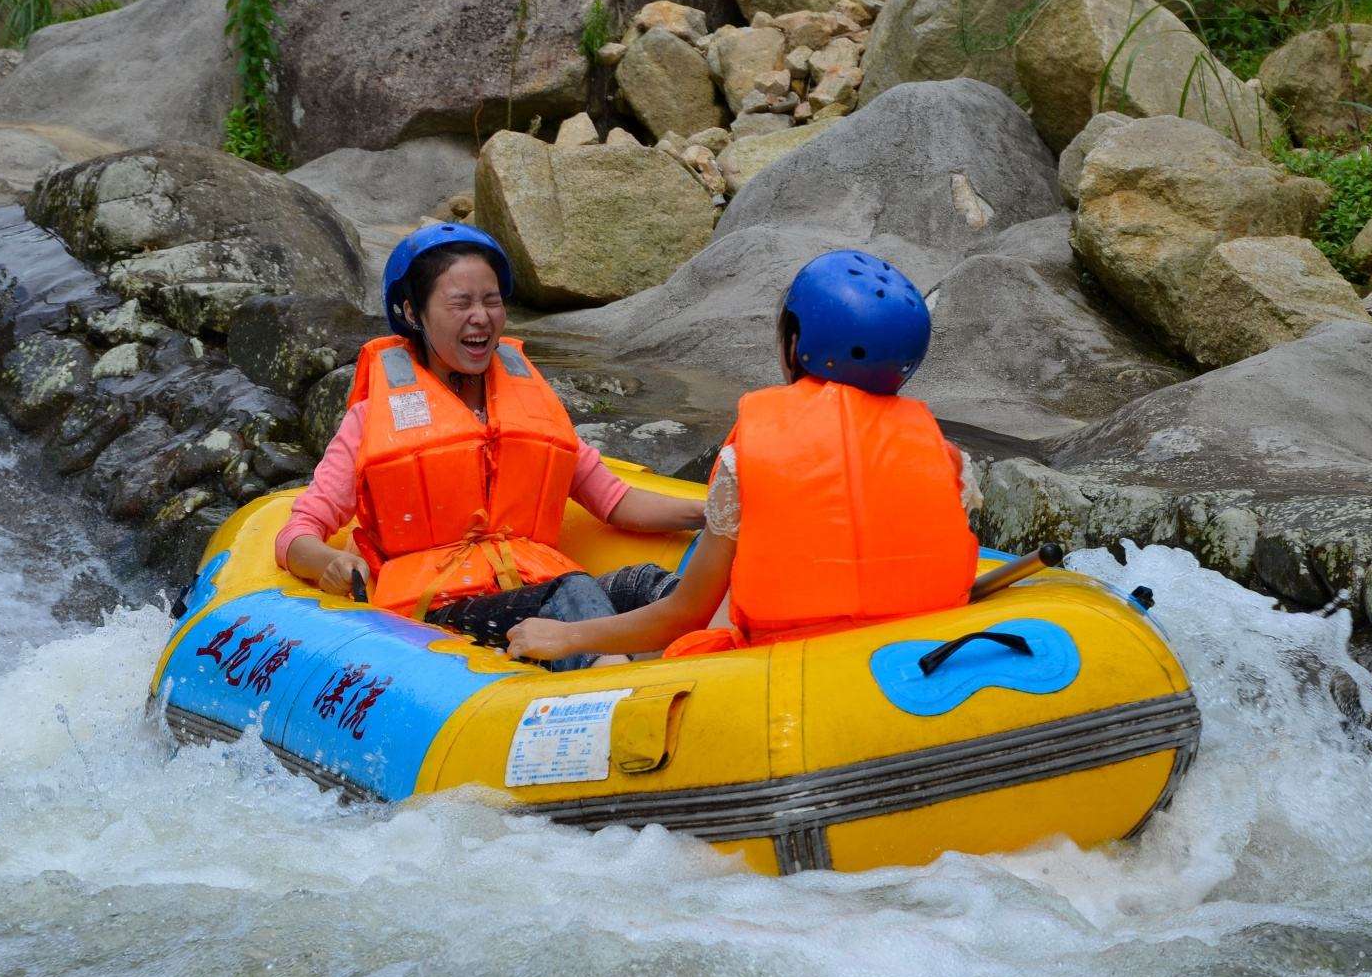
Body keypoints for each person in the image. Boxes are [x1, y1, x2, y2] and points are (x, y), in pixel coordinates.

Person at [505, 249, 979, 665]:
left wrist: (567, 637)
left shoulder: (748, 459)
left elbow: (684, 614)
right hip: (915, 663)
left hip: (786, 674)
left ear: (795, 345)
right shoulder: (949, 463)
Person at [276, 222, 704, 669]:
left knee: (650, 586)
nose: (480, 316)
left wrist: (714, 513)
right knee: (573, 590)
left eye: (491, 300)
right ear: (411, 312)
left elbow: (616, 500)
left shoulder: (528, 405)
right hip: (437, 610)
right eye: (459, 303)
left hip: (538, 589)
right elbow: (296, 533)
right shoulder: (371, 419)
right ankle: (614, 696)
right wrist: (326, 561)